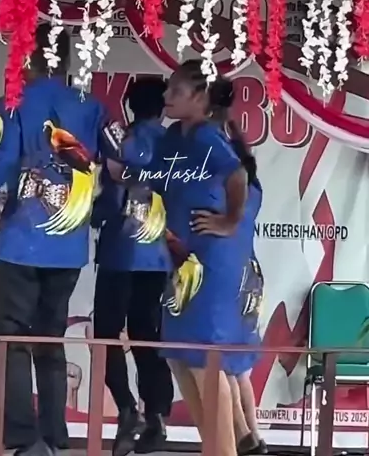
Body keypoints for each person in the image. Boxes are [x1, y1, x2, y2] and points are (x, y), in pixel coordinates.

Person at [0, 24, 107, 456]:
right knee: (51, 336)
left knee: (11, 335)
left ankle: (22, 435)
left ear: (28, 58)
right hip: (68, 244)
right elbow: (117, 162)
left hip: (22, 240)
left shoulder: (12, 104)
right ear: (64, 59)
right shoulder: (91, 106)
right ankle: (54, 434)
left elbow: (1, 159)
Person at [108, 59, 247, 456]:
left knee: (204, 360)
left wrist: (229, 221)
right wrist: (114, 162)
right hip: (179, 260)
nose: (166, 96)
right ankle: (212, 447)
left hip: (210, 260)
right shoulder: (172, 137)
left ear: (200, 98)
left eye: (176, 91)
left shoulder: (208, 137)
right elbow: (146, 173)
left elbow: (237, 176)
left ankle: (225, 451)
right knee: (181, 359)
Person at [92, 77, 174, 456]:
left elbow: (110, 201)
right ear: (163, 108)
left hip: (119, 254)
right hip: (157, 256)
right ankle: (156, 415)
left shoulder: (121, 142)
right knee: (147, 335)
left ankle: (126, 408)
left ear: (129, 105)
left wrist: (95, 215)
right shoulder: (175, 146)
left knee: (107, 336)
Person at [191, 76, 266, 455]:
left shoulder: (215, 163)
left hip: (223, 274)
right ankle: (251, 436)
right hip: (247, 275)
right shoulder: (250, 177)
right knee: (235, 366)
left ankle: (240, 437)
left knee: (215, 362)